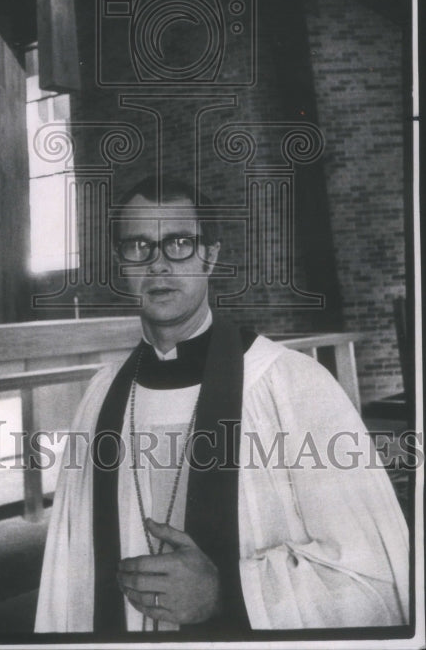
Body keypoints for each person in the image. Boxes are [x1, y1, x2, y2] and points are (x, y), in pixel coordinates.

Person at [35, 174, 409, 634]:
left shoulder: (290, 386)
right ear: (119, 262)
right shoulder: (100, 398)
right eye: (138, 246)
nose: (158, 265)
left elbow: (376, 581)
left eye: (179, 243)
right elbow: (68, 583)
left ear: (210, 255)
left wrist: (226, 594)